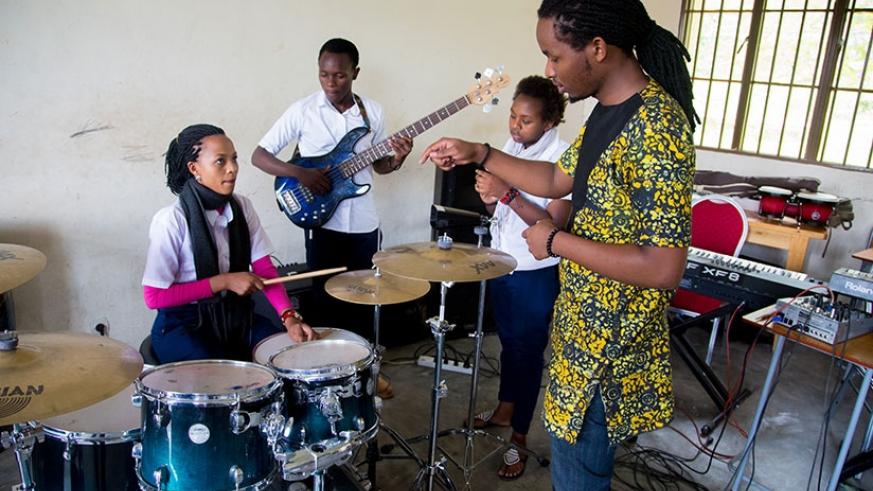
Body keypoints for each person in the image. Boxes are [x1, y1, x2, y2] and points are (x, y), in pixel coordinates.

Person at [420, 1, 697, 489]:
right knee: (573, 465)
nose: (549, 71)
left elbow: (662, 267)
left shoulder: (657, 128)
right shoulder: (605, 115)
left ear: (597, 48)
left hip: (610, 349)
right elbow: (554, 177)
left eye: (554, 56)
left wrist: (555, 240)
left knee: (578, 476)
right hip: (578, 330)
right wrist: (481, 152)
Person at [251, 38, 411, 397]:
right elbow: (259, 156)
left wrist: (397, 158)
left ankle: (365, 376)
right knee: (325, 304)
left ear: (355, 73)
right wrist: (300, 173)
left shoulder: (373, 112)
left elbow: (380, 166)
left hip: (365, 222)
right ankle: (326, 380)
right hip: (324, 224)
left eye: (339, 75)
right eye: (324, 74)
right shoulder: (303, 111)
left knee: (366, 298)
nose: (331, 82)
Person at [142, 124, 316, 364]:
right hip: (184, 324)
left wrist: (289, 317)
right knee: (219, 379)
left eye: (234, 159)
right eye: (220, 161)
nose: (232, 168)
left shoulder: (242, 206)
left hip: (236, 317)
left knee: (286, 357)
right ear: (195, 169)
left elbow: (265, 271)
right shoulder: (171, 220)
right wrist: (223, 281)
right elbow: (154, 297)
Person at [469, 75, 570, 480]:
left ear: (548, 123)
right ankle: (505, 408)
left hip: (535, 274)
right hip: (503, 264)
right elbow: (504, 211)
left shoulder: (564, 158)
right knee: (509, 345)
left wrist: (507, 192)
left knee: (528, 355)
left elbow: (552, 227)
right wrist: (491, 197)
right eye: (512, 116)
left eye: (525, 121)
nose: (514, 126)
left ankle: (521, 438)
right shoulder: (512, 148)